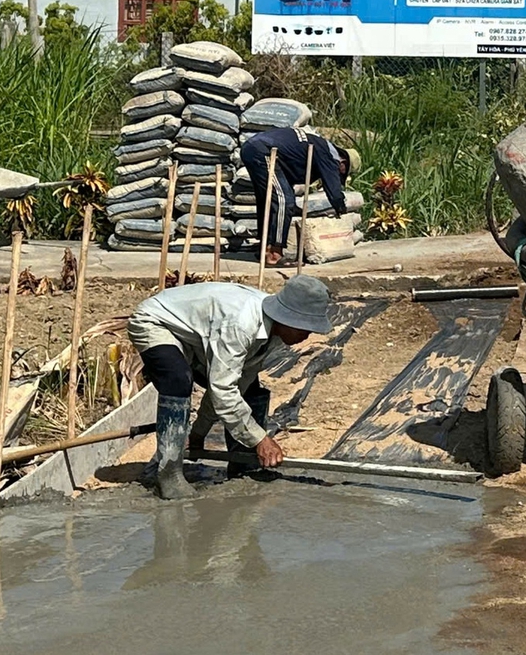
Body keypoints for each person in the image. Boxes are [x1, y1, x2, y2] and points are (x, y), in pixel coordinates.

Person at [126, 274, 334, 499]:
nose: (307, 335)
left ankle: (243, 463)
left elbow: (236, 385)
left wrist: (198, 433)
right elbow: (222, 391)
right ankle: (169, 474)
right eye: (304, 328)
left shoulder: (273, 333)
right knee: (177, 379)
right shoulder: (240, 323)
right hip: (156, 322)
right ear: (288, 318)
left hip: (195, 336)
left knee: (251, 389)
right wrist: (260, 439)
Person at [241, 124, 356, 267]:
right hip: (263, 151)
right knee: (285, 201)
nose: (339, 175)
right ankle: (273, 255)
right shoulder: (330, 156)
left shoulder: (317, 145)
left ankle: (265, 248)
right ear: (343, 162)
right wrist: (341, 210)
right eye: (342, 173)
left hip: (252, 148)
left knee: (269, 200)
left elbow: (287, 173)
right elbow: (334, 191)